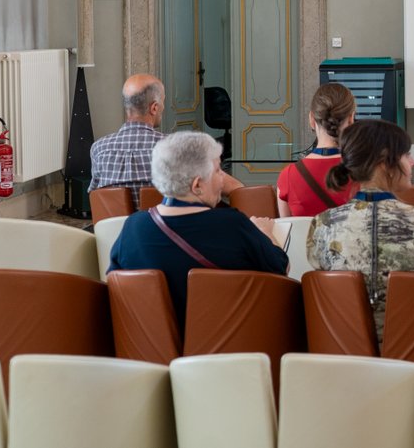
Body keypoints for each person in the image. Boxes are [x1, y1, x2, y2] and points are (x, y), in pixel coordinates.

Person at [108, 131, 288, 326]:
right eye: (219, 171)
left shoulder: (133, 227)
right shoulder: (233, 225)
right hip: (230, 349)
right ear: (197, 185)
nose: (222, 180)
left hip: (150, 351)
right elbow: (281, 268)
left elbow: (116, 286)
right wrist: (266, 233)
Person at [307, 119, 414, 341]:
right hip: (413, 350)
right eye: (407, 155)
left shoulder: (323, 223)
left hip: (342, 350)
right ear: (384, 163)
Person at [90, 74, 243, 207]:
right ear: (154, 108)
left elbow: (96, 197)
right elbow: (234, 188)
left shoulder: (98, 148)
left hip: (115, 238)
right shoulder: (177, 148)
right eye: (163, 101)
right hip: (166, 234)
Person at [276, 83, 358, 217]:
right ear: (350, 119)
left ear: (312, 119)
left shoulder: (287, 176)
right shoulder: (366, 173)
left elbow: (287, 233)